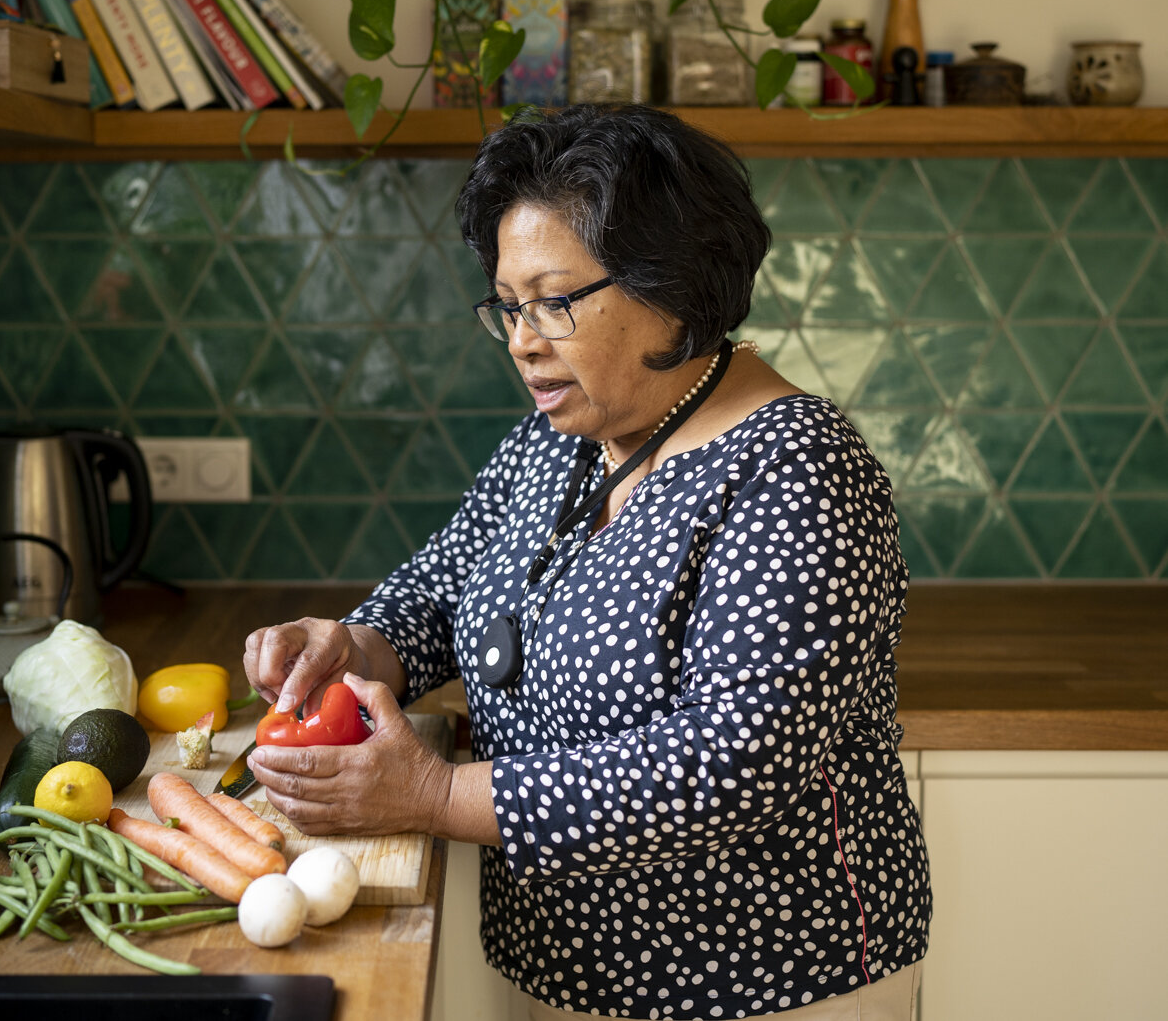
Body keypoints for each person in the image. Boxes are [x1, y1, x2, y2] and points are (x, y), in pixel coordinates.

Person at [242, 104, 930, 1020]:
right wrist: (353, 646)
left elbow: (731, 767)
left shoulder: (798, 469)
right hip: (561, 963)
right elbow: (448, 589)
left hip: (761, 983)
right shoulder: (561, 437)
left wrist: (436, 794)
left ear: (673, 285)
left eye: (555, 301)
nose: (525, 339)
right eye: (509, 306)